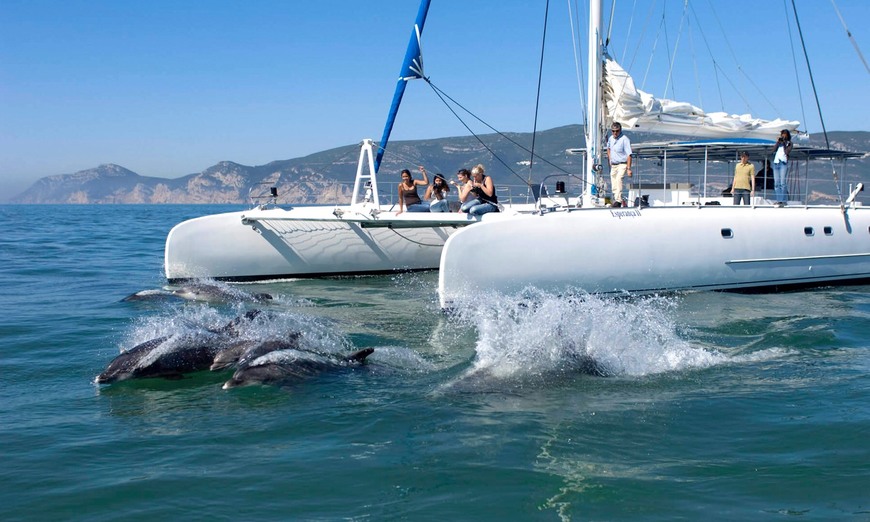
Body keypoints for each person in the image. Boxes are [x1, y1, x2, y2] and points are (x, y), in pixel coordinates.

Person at [606, 121, 632, 207]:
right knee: (613, 182)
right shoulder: (610, 138)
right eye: (613, 131)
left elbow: (629, 155)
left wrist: (628, 168)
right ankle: (615, 198)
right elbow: (608, 148)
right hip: (613, 164)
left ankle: (618, 200)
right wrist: (610, 159)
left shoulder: (625, 139)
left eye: (617, 131)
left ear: (620, 130)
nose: (615, 133)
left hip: (622, 164)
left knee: (619, 179)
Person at [771, 129, 792, 206]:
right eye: (782, 134)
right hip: (776, 163)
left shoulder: (789, 143)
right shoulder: (779, 143)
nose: (783, 136)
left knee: (782, 183)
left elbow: (787, 152)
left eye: (784, 134)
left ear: (787, 135)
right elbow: (773, 150)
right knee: (776, 183)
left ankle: (783, 200)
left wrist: (783, 144)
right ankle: (779, 200)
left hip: (783, 163)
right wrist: (778, 142)